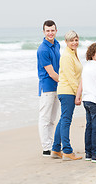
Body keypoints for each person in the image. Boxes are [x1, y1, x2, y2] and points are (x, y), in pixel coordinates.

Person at [51, 30, 83, 160]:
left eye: (76, 40)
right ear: (66, 42)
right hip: (67, 91)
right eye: (71, 40)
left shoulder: (73, 54)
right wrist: (78, 95)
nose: (74, 42)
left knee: (63, 119)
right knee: (66, 120)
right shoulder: (67, 56)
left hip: (68, 91)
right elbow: (71, 78)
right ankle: (67, 151)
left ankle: (55, 149)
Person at [36, 20, 60, 157]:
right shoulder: (43, 49)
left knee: (52, 119)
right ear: (44, 32)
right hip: (47, 87)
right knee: (45, 118)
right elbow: (51, 73)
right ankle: (46, 148)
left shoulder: (56, 44)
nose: (50, 33)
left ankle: (51, 145)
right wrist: (65, 83)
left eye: (52, 30)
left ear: (56, 31)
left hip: (57, 86)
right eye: (47, 31)